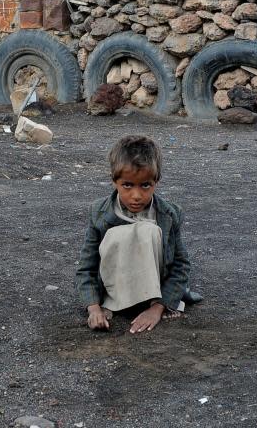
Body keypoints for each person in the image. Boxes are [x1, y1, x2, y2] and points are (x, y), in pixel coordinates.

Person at [75, 135, 200, 333]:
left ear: (156, 181)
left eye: (145, 185)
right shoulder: (100, 213)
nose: (136, 195)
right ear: (114, 181)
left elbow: (180, 265)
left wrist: (158, 308)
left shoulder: (168, 214)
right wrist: (93, 308)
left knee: (147, 230)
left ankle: (150, 301)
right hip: (113, 291)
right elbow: (86, 266)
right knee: (120, 234)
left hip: (154, 292)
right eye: (127, 185)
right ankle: (115, 301)